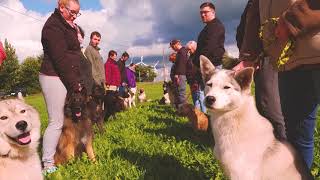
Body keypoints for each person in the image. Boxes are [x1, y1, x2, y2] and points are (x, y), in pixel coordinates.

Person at [235, 0, 320, 169]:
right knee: (297, 138)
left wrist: (291, 21)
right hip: (288, 61)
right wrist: (249, 55)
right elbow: (256, 10)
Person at [39, 0, 93, 174]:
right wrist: (74, 83)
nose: (75, 16)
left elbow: (74, 54)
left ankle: (68, 152)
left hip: (66, 76)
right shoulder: (52, 27)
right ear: (61, 7)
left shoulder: (68, 25)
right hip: (53, 76)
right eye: (72, 12)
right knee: (56, 121)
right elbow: (60, 59)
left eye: (78, 13)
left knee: (64, 121)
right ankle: (48, 164)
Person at [233, 0, 286, 141]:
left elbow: (263, 23)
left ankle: (283, 147)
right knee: (265, 106)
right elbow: (247, 27)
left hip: (268, 54)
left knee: (269, 107)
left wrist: (250, 56)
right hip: (260, 56)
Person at [193, 2, 225, 68]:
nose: (202, 15)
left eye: (205, 12)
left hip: (213, 65)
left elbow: (209, 46)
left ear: (213, 12)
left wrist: (198, 62)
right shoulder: (208, 27)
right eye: (201, 13)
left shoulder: (216, 26)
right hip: (208, 64)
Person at [185, 41, 206, 113]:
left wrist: (197, 82)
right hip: (192, 82)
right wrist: (190, 81)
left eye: (189, 49)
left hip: (198, 82)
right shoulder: (190, 57)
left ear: (194, 48)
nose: (188, 51)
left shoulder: (199, 57)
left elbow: (199, 71)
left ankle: (204, 116)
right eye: (187, 50)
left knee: (201, 98)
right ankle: (197, 115)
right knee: (195, 100)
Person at [169, 39, 188, 110]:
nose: (172, 48)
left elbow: (181, 65)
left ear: (176, 44)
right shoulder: (180, 52)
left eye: (172, 46)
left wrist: (177, 74)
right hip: (180, 75)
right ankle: (181, 109)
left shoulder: (182, 51)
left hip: (180, 75)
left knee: (181, 93)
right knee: (179, 93)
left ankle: (184, 110)